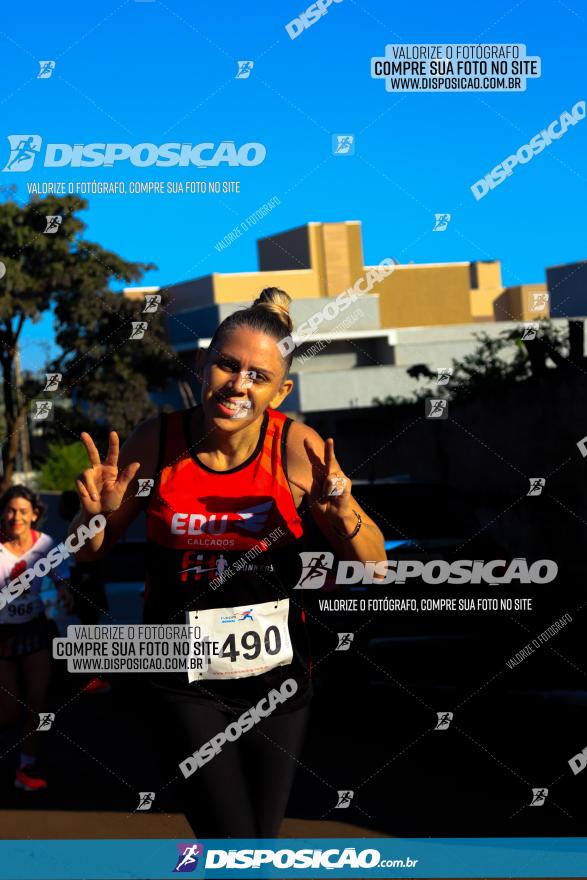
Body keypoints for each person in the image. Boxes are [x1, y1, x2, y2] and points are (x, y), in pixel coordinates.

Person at [69, 287, 386, 837]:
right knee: (230, 838)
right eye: (226, 365)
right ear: (202, 364)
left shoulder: (296, 448)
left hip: (278, 677)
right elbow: (94, 550)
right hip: (177, 669)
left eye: (258, 376)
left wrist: (340, 514)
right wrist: (94, 516)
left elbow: (375, 566)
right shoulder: (156, 441)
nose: (239, 384)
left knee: (259, 844)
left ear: (280, 390)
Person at [0, 484, 73, 791]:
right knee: (9, 710)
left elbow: (61, 578)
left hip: (34, 628)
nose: (17, 516)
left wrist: (64, 592)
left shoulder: (45, 545)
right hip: (1, 633)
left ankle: (26, 768)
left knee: (38, 703)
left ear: (34, 515)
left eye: (23, 511)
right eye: (11, 510)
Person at [57, 490, 110, 694]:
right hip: (83, 595)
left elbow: (89, 565)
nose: (58, 509)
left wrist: (77, 590)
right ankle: (90, 678)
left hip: (86, 595)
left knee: (90, 636)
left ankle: (96, 679)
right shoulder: (73, 528)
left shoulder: (80, 529)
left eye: (62, 505)